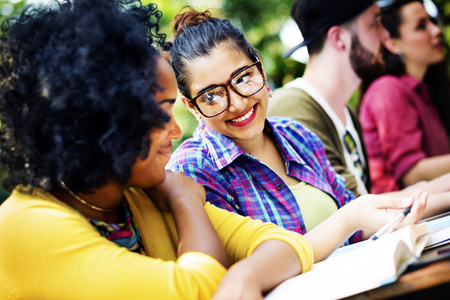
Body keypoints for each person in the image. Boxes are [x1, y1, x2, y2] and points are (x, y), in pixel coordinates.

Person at [0, 1, 316, 299]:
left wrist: (247, 274)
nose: (176, 131)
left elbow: (285, 244)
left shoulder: (138, 197)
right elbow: (200, 290)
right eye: (161, 111)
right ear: (99, 119)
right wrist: (185, 201)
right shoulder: (22, 228)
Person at [165, 7, 427, 262]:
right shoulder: (193, 168)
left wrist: (398, 216)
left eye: (243, 78)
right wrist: (347, 220)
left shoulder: (296, 135)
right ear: (191, 106)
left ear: (261, 70)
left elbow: (358, 225)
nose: (237, 103)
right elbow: (245, 270)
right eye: (211, 96)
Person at [267, 0, 450, 198]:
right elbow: (356, 212)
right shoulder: (293, 108)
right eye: (374, 23)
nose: (386, 34)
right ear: (339, 38)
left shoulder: (346, 113)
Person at [359, 0, 450, 194]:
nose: (436, 31)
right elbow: (411, 173)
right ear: (393, 43)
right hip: (407, 219)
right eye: (421, 26)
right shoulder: (388, 90)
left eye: (433, 22)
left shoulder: (422, 90)